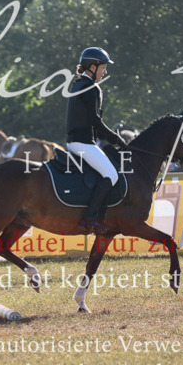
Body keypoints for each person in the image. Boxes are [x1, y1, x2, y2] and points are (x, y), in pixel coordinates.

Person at [65, 46, 128, 233]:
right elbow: (95, 120)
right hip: (83, 143)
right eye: (103, 67)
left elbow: (90, 122)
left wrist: (108, 139)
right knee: (112, 174)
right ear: (92, 67)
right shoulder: (91, 88)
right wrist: (116, 139)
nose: (105, 71)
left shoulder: (77, 85)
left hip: (74, 142)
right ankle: (90, 218)